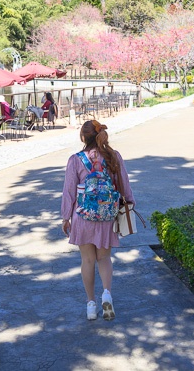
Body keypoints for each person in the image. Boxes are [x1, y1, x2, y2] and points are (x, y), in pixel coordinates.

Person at [61, 120, 135, 321]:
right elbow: (124, 184)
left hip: (83, 215)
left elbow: (69, 191)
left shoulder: (75, 160)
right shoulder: (113, 156)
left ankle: (91, 305)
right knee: (104, 258)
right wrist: (129, 203)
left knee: (87, 260)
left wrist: (66, 217)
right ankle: (107, 294)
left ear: (84, 138)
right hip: (107, 217)